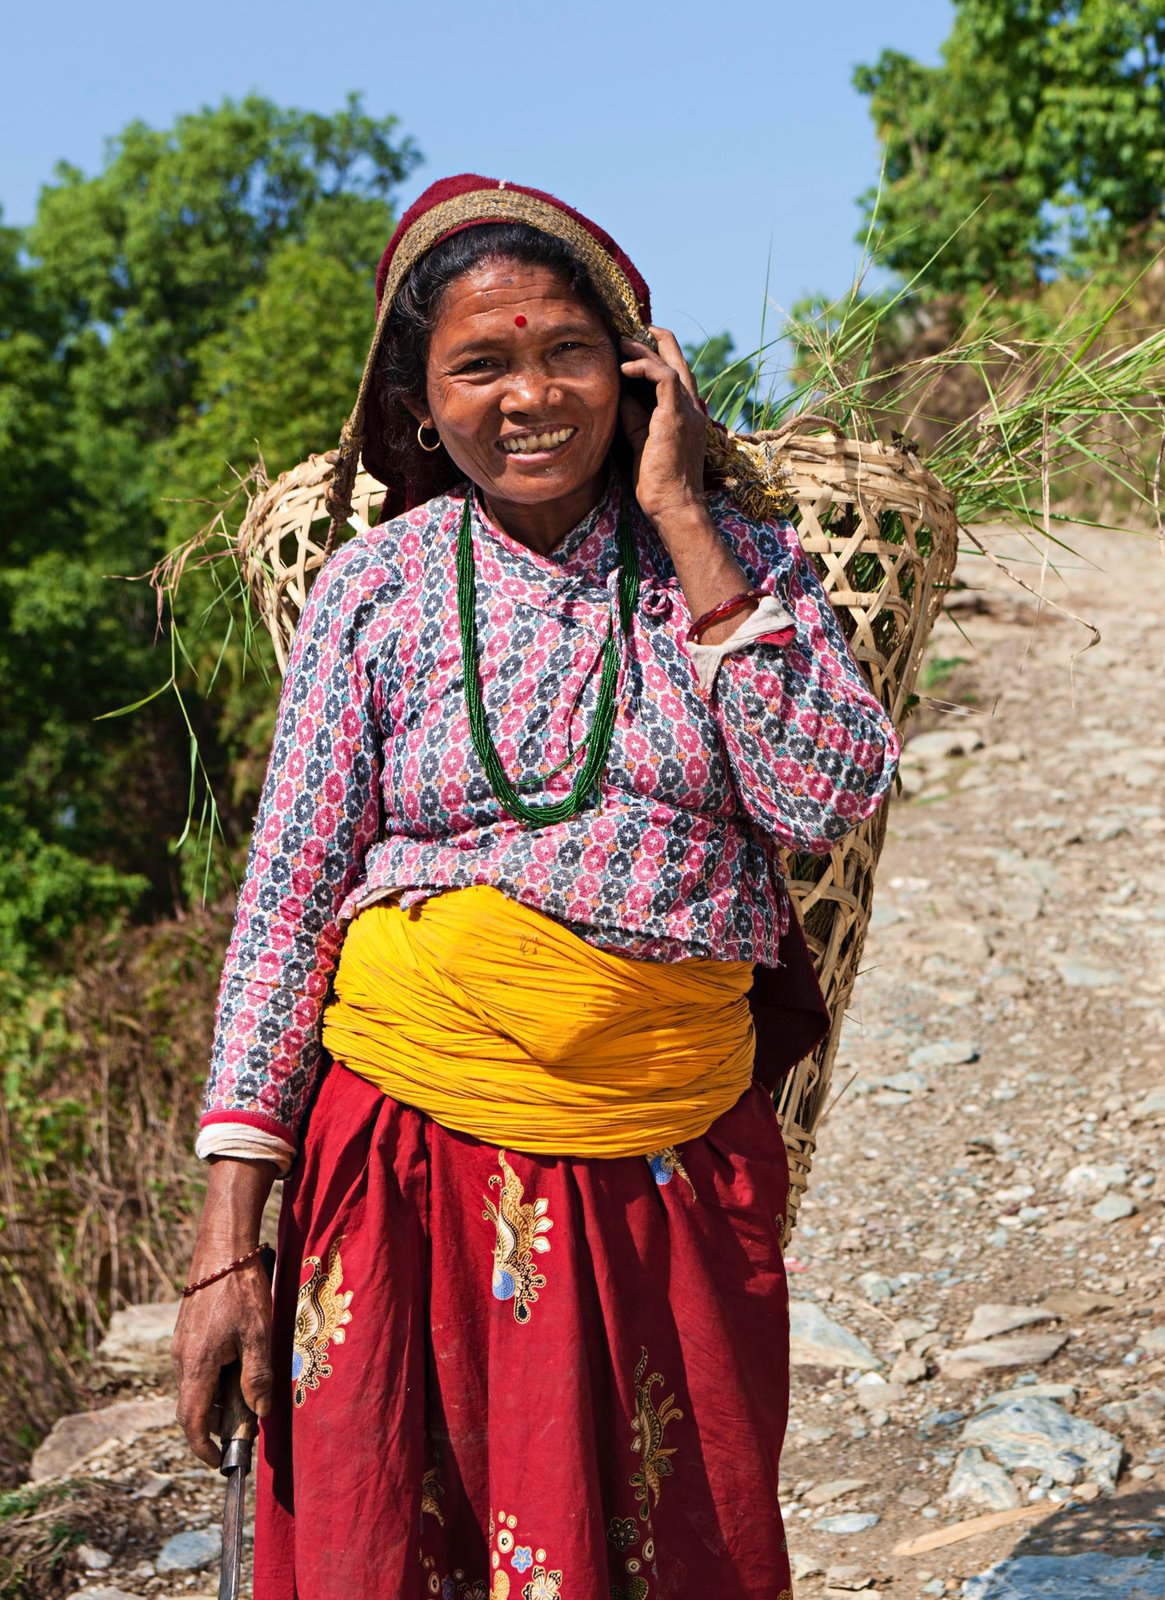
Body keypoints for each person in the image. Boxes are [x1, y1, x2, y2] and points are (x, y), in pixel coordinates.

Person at [169, 174, 899, 1600]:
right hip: (405, 1152)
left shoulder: (738, 568)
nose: (531, 396)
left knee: (670, 1552)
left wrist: (686, 516)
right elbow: (284, 911)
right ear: (422, 401)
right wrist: (223, 1251)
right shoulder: (375, 593)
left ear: (640, 371)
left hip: (660, 1157)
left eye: (567, 351)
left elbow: (826, 795)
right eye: (481, 364)